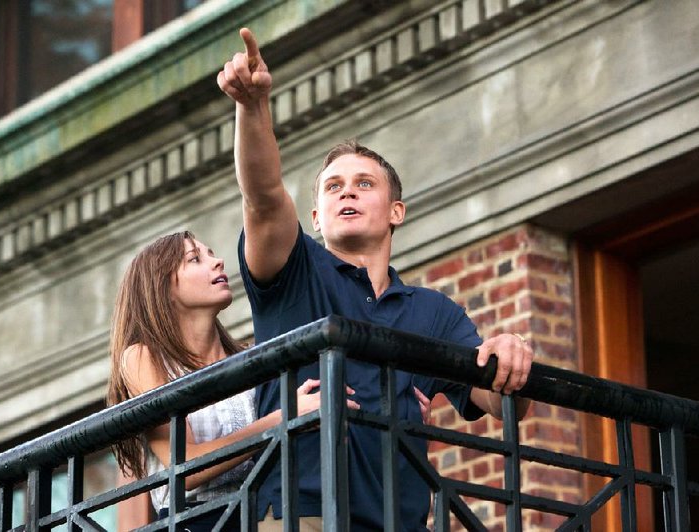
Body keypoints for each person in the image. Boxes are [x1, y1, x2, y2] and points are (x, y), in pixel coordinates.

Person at [217, 28, 534, 531]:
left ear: (395, 212)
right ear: (316, 216)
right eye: (333, 187)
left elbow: (493, 402)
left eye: (365, 184)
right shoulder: (295, 271)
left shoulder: (434, 311)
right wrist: (252, 108)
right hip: (303, 517)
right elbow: (263, 194)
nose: (348, 193)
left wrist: (510, 355)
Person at [106, 231, 360, 531]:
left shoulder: (250, 356)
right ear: (162, 286)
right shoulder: (143, 357)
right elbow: (184, 467)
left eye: (211, 253)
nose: (218, 262)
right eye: (195, 258)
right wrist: (282, 419)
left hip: (261, 514)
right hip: (194, 521)